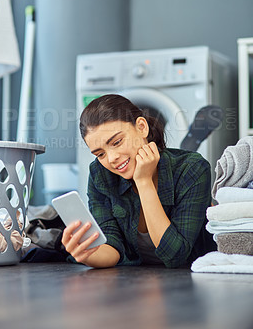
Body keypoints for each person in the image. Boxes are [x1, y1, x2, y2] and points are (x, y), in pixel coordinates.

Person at [62, 94, 215, 268]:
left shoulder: (192, 168)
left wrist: (143, 181)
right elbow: (113, 248)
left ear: (141, 127)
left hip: (193, 279)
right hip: (134, 281)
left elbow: (175, 255)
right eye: (100, 154)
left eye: (117, 142)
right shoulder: (100, 174)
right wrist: (86, 254)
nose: (111, 158)